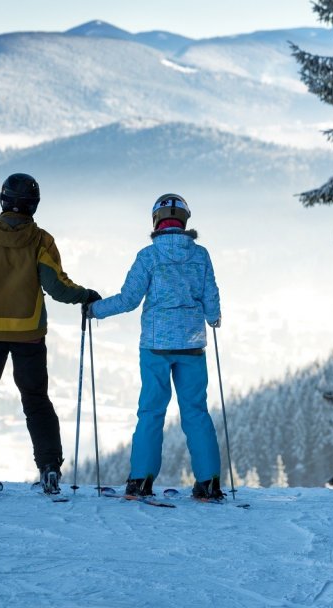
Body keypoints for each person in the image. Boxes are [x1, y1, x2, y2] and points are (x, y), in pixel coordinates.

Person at [0, 173, 100, 494]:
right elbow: (57, 286)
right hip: (30, 333)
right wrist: (85, 295)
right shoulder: (41, 240)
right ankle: (49, 470)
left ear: (2, 200)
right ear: (34, 205)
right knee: (36, 401)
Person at [86, 193, 225, 500]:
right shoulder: (200, 255)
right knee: (196, 411)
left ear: (156, 222)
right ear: (185, 221)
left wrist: (94, 309)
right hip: (192, 345)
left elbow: (128, 300)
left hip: (155, 346)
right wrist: (213, 319)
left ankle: (140, 480)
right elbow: (211, 298)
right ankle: (210, 482)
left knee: (151, 411)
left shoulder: (148, 256)